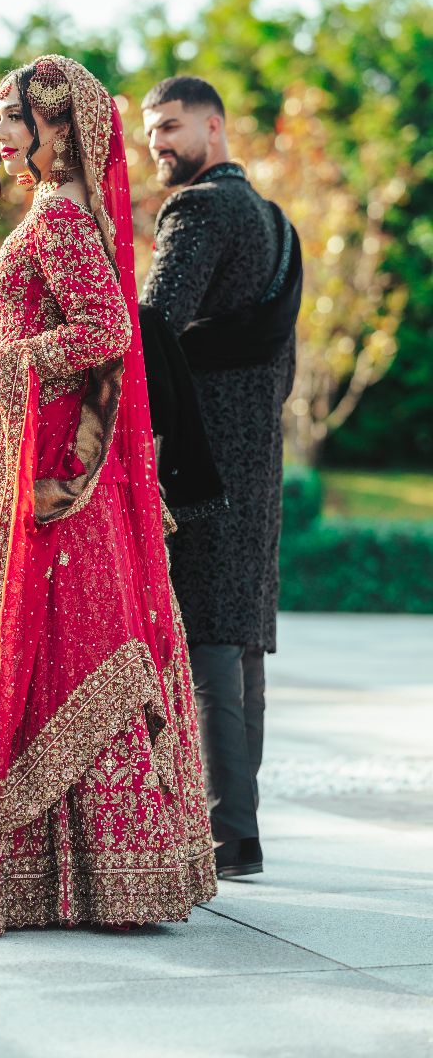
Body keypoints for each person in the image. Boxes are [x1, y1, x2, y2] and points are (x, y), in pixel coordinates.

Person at [0, 57, 216, 938]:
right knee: (37, 651)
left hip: (59, 487)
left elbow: (107, 328)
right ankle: (69, 876)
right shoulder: (52, 212)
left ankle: (101, 875)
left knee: (68, 650)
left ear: (61, 129)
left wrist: (11, 362)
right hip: (31, 467)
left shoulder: (63, 218)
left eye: (15, 117)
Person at [139, 76, 301, 880]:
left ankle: (224, 837)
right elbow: (286, 366)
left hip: (201, 456)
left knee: (207, 638)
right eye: (148, 133)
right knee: (239, 642)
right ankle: (239, 830)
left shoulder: (198, 210)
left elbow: (151, 326)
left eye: (169, 126)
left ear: (215, 125)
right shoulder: (278, 224)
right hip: (258, 456)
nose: (157, 144)